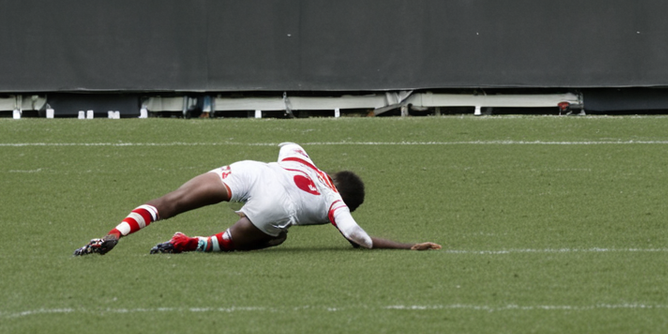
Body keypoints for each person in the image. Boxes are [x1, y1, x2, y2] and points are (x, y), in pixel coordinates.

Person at [74, 143, 442, 257]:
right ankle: (193, 244)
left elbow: (288, 143)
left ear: (332, 175)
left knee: (172, 200)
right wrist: (407, 245)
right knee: (275, 236)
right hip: (274, 210)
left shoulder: (302, 159)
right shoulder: (336, 204)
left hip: (255, 172)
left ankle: (115, 233)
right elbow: (359, 238)